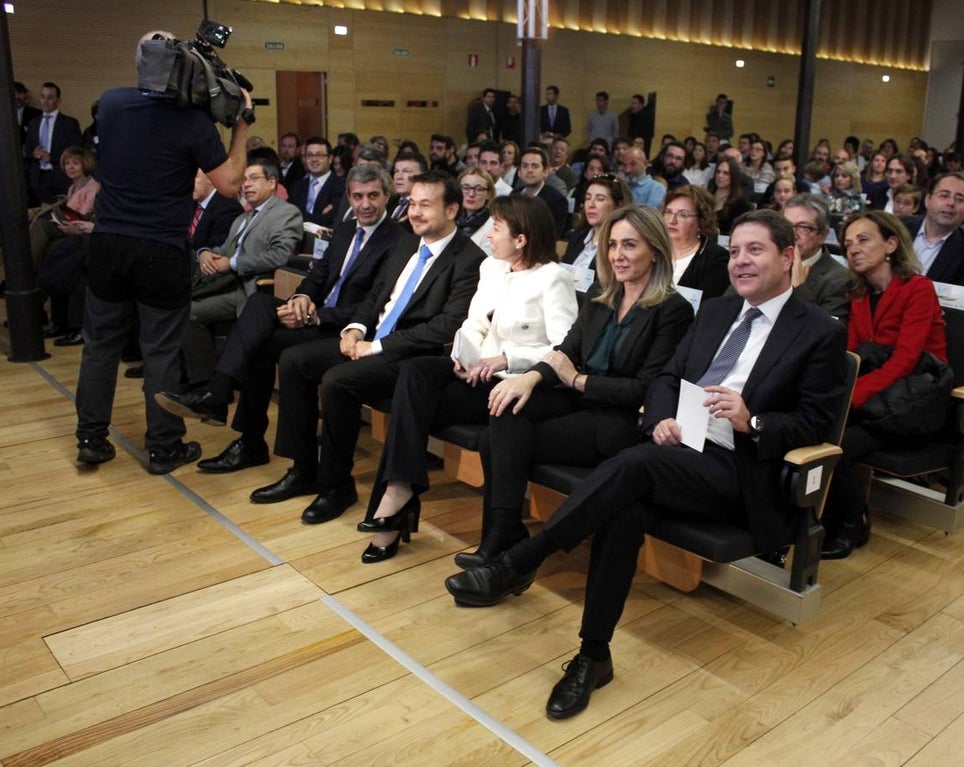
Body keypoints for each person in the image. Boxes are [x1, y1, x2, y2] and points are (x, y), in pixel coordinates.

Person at [444, 208, 847, 720]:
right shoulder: (720, 311)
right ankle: (593, 656)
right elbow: (667, 379)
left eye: (756, 250)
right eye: (737, 250)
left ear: (789, 257)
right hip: (677, 448)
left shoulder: (818, 331)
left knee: (634, 468)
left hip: (738, 467)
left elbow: (815, 421)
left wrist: (754, 421)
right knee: (624, 505)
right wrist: (660, 419)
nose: (741, 261)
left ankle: (522, 560)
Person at [451, 204, 694, 569]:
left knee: (494, 438)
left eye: (630, 245)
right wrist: (529, 378)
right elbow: (566, 351)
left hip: (617, 421)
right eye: (612, 245)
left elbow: (645, 389)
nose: (617, 255)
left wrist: (578, 380)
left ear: (655, 251)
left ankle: (501, 535)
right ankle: (502, 533)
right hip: (579, 402)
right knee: (506, 405)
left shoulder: (672, 310)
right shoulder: (603, 296)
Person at [251, 171, 486, 524]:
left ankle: (336, 486)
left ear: (452, 209)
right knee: (294, 360)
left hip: (410, 355)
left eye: (426, 205)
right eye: (412, 204)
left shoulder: (469, 259)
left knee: (337, 381)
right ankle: (303, 469)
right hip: (373, 338)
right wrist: (355, 329)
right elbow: (377, 295)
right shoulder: (407, 242)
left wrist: (377, 347)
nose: (415, 212)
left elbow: (445, 326)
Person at [357, 195, 579, 562]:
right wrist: (466, 355)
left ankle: (394, 508)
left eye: (496, 228)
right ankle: (399, 488)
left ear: (521, 239)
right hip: (475, 373)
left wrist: (506, 358)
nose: (488, 235)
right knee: (415, 371)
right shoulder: (492, 268)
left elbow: (563, 348)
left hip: (512, 381)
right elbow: (474, 323)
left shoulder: (553, 278)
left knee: (413, 407)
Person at [74, 29, 251, 474]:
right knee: (160, 351)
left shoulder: (111, 103)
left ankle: (91, 439)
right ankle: (163, 447)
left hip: (110, 242)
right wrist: (243, 125)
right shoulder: (192, 121)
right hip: (161, 247)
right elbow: (230, 184)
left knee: (100, 347)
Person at [156, 164, 405, 473]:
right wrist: (301, 299)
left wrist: (315, 317)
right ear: (349, 197)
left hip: (346, 331)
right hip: (316, 315)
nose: (365, 204)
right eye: (357, 196)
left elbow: (373, 306)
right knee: (260, 308)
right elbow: (318, 276)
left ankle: (233, 417)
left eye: (373, 196)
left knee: (260, 339)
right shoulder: (345, 230)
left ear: (387, 196)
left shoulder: (397, 240)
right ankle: (235, 419)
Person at [820, 211, 947, 558]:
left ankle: (851, 525)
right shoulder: (859, 292)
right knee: (816, 425)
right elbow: (853, 354)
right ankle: (819, 517)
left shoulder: (918, 289)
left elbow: (905, 361)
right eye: (847, 244)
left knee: (839, 442)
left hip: (914, 400)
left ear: (891, 244)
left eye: (863, 240)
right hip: (879, 397)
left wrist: (850, 398)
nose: (853, 250)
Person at [182, 159, 304, 388]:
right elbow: (225, 250)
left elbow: (280, 256)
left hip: (255, 288)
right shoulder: (243, 217)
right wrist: (206, 252)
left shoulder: (285, 213)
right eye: (244, 180)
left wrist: (234, 263)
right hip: (227, 284)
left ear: (272, 182)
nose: (247, 184)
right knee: (185, 310)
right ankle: (204, 380)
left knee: (190, 312)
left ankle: (210, 384)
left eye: (254, 178)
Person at [32, 146, 101, 346]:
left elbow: (84, 215)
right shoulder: (72, 187)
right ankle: (59, 322)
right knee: (52, 251)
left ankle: (30, 277)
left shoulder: (93, 186)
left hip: (85, 233)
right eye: (67, 163)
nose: (70, 167)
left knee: (49, 238)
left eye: (75, 163)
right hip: (74, 231)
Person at [781, 195, 851, 321]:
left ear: (823, 235)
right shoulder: (768, 264)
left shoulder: (840, 280)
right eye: (786, 226)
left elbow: (827, 334)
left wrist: (799, 289)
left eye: (803, 228)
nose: (793, 235)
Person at [661, 185, 730, 300]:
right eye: (668, 212)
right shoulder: (653, 250)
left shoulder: (717, 258)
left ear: (701, 221)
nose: (672, 220)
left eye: (683, 215)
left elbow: (707, 305)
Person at [24, 82, 83, 207]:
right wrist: (33, 153)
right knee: (44, 213)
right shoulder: (34, 122)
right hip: (39, 176)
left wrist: (53, 157)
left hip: (60, 175)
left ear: (58, 100)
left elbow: (76, 149)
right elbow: (27, 148)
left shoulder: (69, 123)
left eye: (50, 97)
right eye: (43, 97)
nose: (45, 101)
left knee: (63, 212)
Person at [564, 172, 632, 272]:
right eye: (588, 198)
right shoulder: (576, 237)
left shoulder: (619, 245)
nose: (591, 204)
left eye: (600, 199)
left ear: (618, 205)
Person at [456, 167, 496, 257]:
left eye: (479, 189)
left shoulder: (494, 225)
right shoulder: (450, 219)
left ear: (488, 194)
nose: (471, 194)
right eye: (466, 188)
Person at [709, 156, 754, 235]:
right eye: (718, 171)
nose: (720, 176)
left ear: (733, 176)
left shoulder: (740, 203)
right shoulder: (706, 195)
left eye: (725, 173)